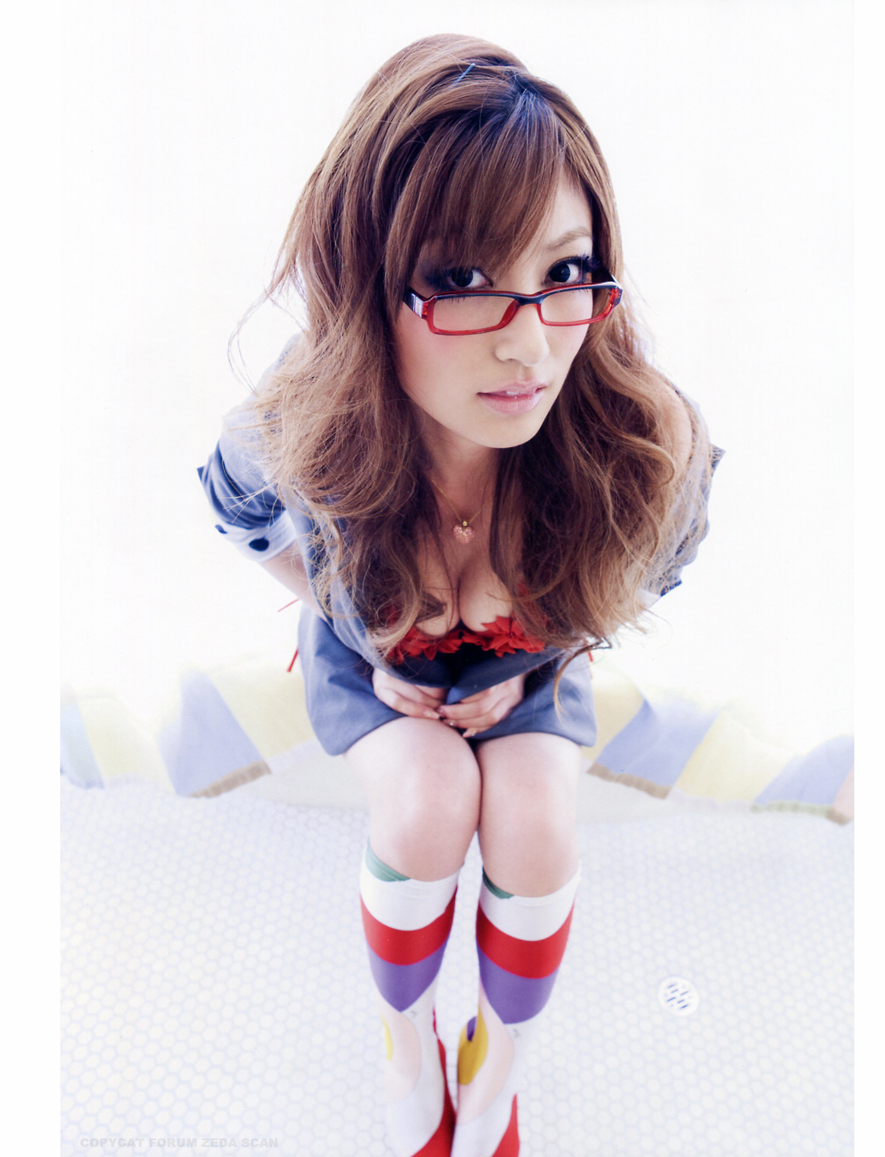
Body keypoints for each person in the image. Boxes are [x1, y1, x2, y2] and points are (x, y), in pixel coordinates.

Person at [200, 33, 720, 1157]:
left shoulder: (640, 440)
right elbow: (236, 513)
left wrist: (544, 663)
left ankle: (496, 1063)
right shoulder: (302, 425)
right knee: (427, 802)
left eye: (565, 274)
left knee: (534, 823)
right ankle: (406, 1044)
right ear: (368, 280)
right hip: (373, 665)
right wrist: (353, 628)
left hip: (532, 660)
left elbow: (641, 575)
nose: (529, 347)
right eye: (460, 280)